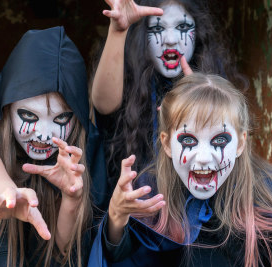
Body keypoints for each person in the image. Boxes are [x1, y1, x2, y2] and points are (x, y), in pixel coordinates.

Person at [87, 73, 272, 267]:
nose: (203, 156)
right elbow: (119, 259)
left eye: (219, 141)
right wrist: (116, 217)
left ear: (240, 143)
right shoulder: (150, 187)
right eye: (188, 140)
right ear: (166, 143)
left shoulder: (265, 186)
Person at [0, 26, 107, 267]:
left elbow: (62, 252)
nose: (43, 134)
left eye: (61, 119)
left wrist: (71, 199)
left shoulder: (84, 140)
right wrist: (4, 192)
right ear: (6, 105)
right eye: (29, 115)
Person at [92, 0, 246, 189]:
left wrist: (201, 102)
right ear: (141, 37)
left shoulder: (214, 81)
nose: (171, 39)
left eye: (182, 26)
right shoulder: (131, 79)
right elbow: (103, 104)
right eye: (157, 29)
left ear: (198, 33)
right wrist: (118, 30)